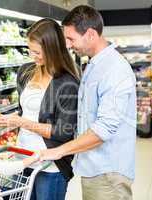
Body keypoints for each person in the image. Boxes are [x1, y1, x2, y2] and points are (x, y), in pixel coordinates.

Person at [39, 5, 137, 200]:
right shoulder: (94, 65)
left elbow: (103, 129)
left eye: (71, 39)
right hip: (94, 166)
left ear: (91, 34)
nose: (67, 45)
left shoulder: (114, 70)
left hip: (108, 172)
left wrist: (59, 151)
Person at [0, 18, 80, 200]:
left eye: (37, 52)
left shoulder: (67, 83)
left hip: (49, 164)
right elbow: (26, 112)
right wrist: (4, 119)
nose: (32, 55)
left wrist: (20, 122)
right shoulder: (26, 72)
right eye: (29, 50)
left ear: (53, 49)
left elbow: (63, 132)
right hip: (22, 158)